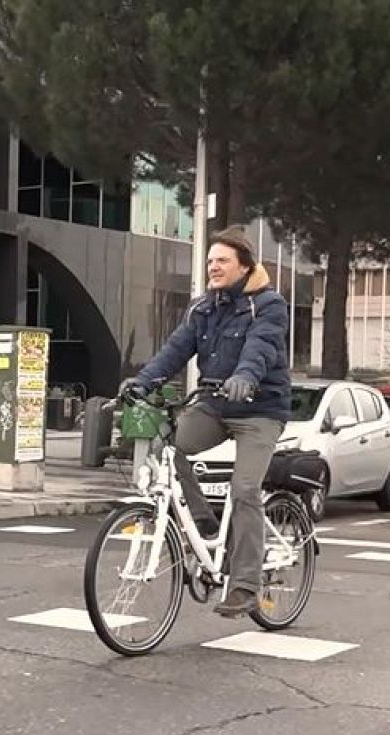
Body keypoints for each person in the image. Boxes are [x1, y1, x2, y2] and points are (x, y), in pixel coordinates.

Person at [120, 225, 292, 617]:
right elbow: (175, 350)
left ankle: (247, 584)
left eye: (222, 261)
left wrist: (246, 377)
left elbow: (260, 347)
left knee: (245, 489)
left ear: (244, 265)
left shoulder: (267, 304)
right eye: (211, 261)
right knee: (169, 445)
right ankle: (205, 522)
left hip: (260, 409)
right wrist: (144, 383)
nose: (213, 267)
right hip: (216, 404)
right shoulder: (203, 308)